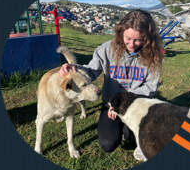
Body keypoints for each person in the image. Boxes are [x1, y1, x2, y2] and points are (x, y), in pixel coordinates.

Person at [59, 9, 163, 160]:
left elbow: (150, 87)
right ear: (121, 32)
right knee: (108, 144)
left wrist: (122, 101)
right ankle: (123, 126)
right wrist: (76, 69)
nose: (132, 44)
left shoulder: (154, 55)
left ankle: (128, 124)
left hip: (138, 103)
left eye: (138, 40)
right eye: (128, 38)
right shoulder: (106, 49)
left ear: (147, 37)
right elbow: (91, 71)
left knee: (159, 134)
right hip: (111, 105)